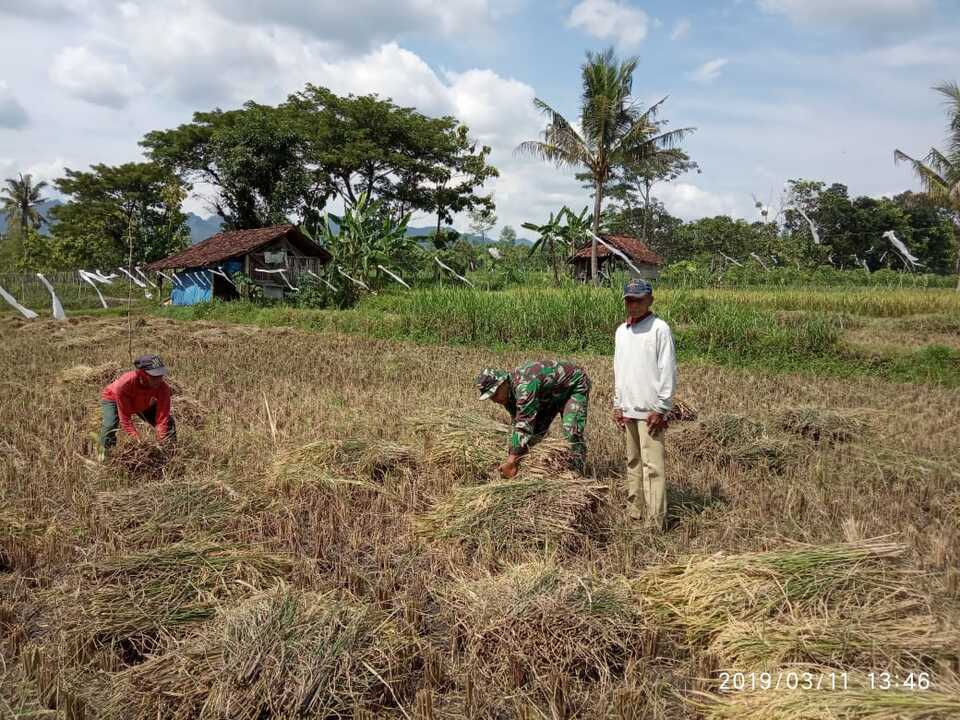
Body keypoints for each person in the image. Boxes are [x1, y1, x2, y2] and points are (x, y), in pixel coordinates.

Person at [612, 278, 676, 530]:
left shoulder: (659, 328)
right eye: (629, 299)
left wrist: (661, 408)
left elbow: (667, 369)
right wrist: (618, 404)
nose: (633, 304)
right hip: (629, 408)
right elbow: (619, 369)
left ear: (650, 300)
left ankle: (656, 520)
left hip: (650, 410)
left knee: (653, 467)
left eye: (638, 299)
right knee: (633, 462)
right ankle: (635, 512)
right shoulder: (622, 331)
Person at [475, 360, 591, 478]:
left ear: (503, 382)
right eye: (491, 397)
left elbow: (524, 424)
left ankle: (578, 471)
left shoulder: (525, 386)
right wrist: (513, 449)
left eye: (494, 394)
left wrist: (511, 461)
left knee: (571, 431)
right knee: (535, 435)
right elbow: (517, 422)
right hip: (548, 395)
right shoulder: (507, 394)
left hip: (573, 386)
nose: (494, 400)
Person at [98, 354, 176, 461]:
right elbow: (125, 418)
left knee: (169, 423)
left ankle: (169, 456)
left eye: (160, 375)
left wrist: (161, 443)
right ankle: (105, 458)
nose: (159, 379)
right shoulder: (125, 384)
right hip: (114, 398)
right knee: (110, 426)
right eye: (154, 376)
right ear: (142, 373)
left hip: (141, 401)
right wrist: (139, 442)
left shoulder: (162, 388)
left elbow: (162, 418)